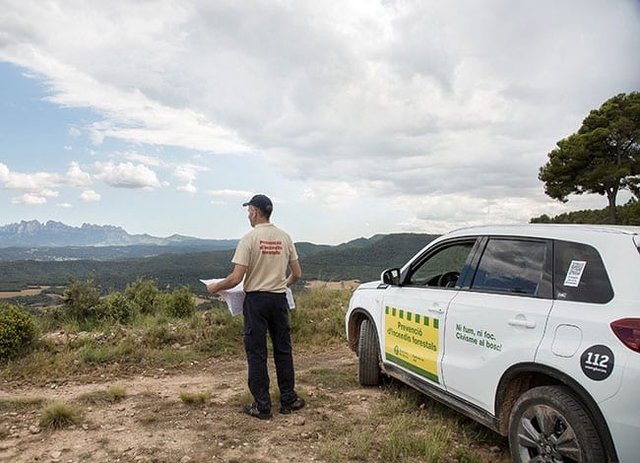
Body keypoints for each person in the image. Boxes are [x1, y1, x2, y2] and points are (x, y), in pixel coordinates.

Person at [207, 194, 305, 420]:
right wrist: (282, 284)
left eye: (248, 211)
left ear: (255, 211)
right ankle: (289, 399)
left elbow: (235, 277)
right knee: (283, 350)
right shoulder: (285, 237)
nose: (248, 215)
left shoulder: (249, 239)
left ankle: (262, 406)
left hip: (256, 302)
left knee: (257, 353)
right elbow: (297, 274)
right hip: (279, 300)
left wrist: (215, 287)